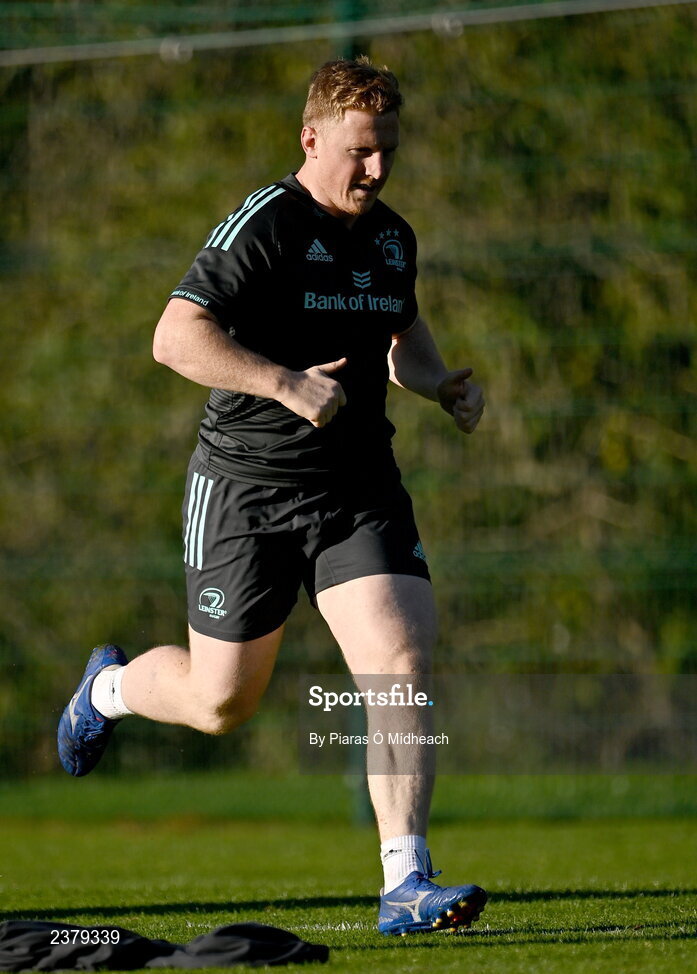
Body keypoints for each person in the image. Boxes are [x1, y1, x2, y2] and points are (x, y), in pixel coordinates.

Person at [57, 56, 487, 936]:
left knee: (400, 664)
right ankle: (109, 692)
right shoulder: (266, 223)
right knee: (222, 703)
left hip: (358, 488)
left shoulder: (393, 237)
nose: (376, 170)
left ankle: (405, 881)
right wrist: (286, 385)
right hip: (247, 491)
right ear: (312, 137)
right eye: (360, 152)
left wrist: (440, 385)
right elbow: (175, 338)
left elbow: (400, 333)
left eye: (387, 152)